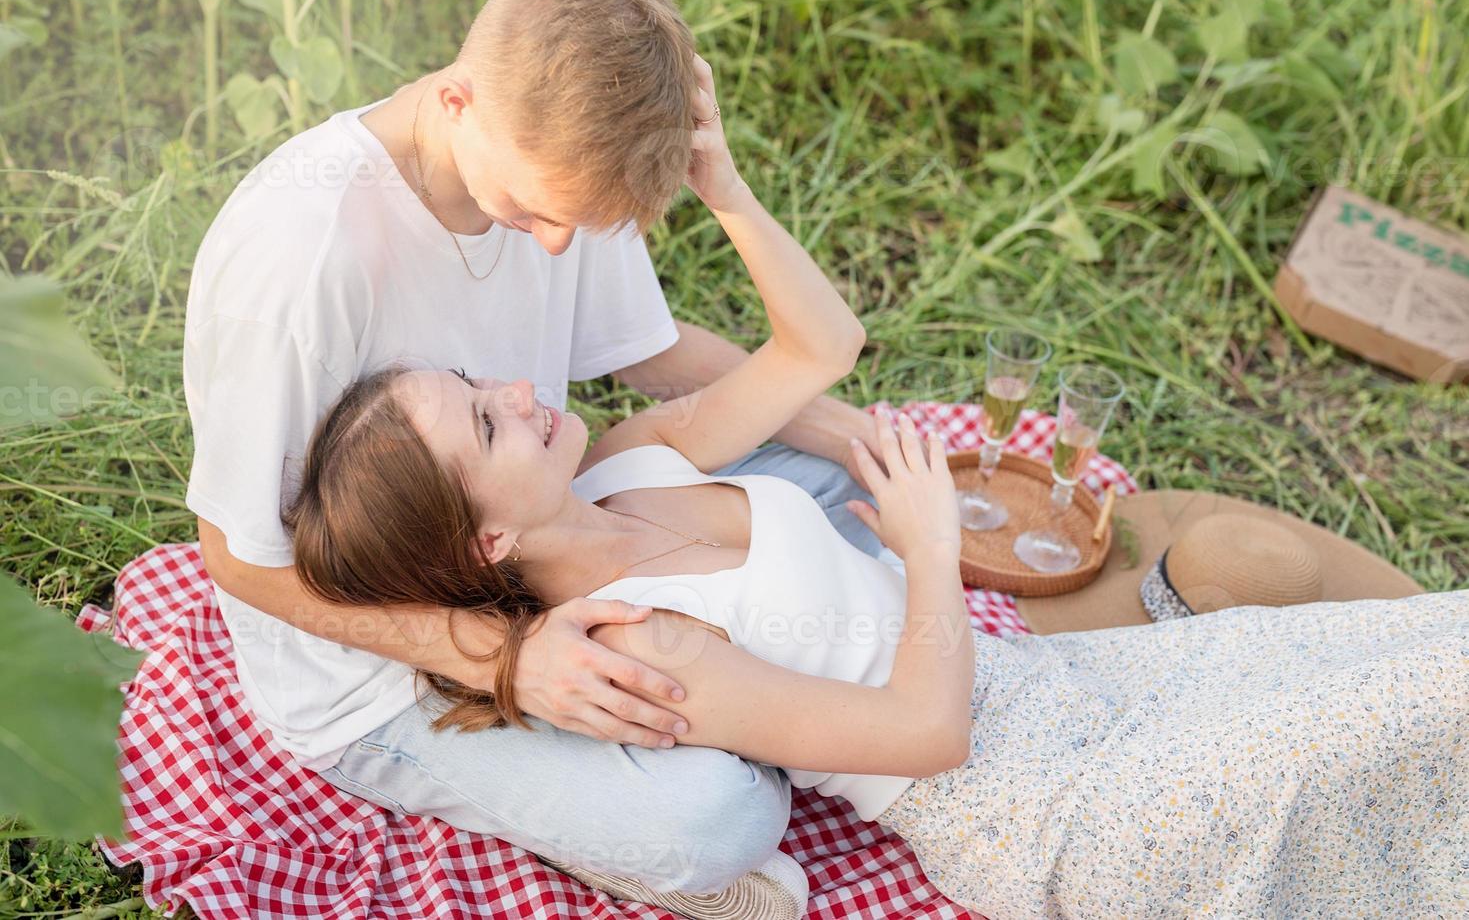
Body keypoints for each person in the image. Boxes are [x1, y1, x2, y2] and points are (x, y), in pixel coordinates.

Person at [284, 63, 1469, 916]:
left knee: (1400, 657)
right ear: (488, 535)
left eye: (476, 381)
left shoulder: (627, 457)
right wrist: (922, 543)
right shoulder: (644, 644)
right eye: (485, 418)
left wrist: (725, 189)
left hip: (1070, 689)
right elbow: (925, 734)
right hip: (1052, 805)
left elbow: (817, 349)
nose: (515, 385)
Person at [182, 0, 887, 893]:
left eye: (576, 222)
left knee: (832, 487)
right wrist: (507, 660)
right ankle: (727, 736)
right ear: (458, 98)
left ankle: (757, 700)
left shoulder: (550, 164)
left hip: (539, 543)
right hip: (383, 661)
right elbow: (236, 555)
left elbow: (650, 348)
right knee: (718, 821)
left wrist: (883, 444)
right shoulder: (303, 260)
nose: (553, 244)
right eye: (531, 212)